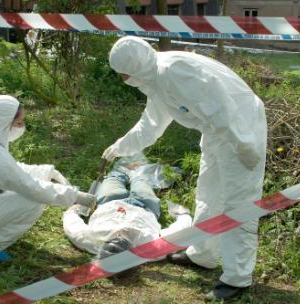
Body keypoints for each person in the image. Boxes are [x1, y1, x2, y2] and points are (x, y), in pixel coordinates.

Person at [101, 36, 267, 300]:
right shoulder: (156, 79)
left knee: (239, 201)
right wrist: (120, 146)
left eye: (124, 74)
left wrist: (243, 143)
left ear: (135, 69)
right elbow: (151, 124)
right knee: (208, 193)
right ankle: (203, 254)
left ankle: (238, 278)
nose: (123, 80)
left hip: (240, 126)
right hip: (217, 131)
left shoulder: (173, 71)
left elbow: (221, 105)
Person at [0, 95, 96, 263]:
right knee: (33, 200)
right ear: (4, 123)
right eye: (18, 123)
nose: (22, 127)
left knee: (31, 194)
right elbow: (30, 187)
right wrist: (75, 196)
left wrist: (47, 171)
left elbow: (13, 170)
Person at [63, 156, 192, 259]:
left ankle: (125, 168)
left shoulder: (90, 241)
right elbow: (179, 232)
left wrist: (74, 211)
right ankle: (138, 172)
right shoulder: (150, 247)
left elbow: (73, 227)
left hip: (111, 201)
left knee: (114, 177)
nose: (120, 234)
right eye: (123, 239)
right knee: (141, 181)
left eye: (114, 237)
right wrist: (182, 215)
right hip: (145, 206)